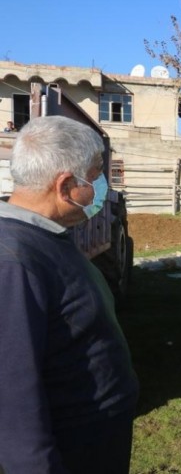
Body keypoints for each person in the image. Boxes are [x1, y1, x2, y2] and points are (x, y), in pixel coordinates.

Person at [0, 116, 139, 474]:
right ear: (65, 186)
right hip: (72, 453)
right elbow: (14, 400)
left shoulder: (46, 236)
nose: (101, 186)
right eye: (95, 175)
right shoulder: (13, 262)